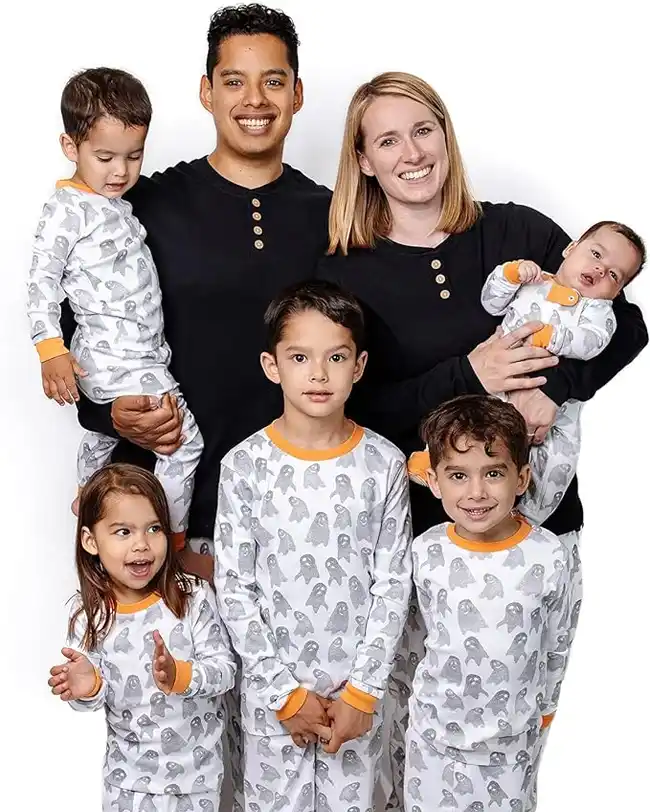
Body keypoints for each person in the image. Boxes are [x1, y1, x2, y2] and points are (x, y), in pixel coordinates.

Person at [316, 71, 647, 809]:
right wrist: (472, 372)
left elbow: (624, 321)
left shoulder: (517, 232)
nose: (412, 152)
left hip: (536, 537)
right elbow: (358, 410)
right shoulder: (346, 269)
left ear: (446, 134)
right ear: (363, 159)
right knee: (405, 750)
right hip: (425, 543)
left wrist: (550, 391)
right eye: (388, 139)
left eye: (424, 130)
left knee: (508, 746)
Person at [61, 4, 331, 579]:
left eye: (273, 81)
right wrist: (108, 413)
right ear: (207, 92)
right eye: (234, 80)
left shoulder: (335, 217)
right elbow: (76, 326)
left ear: (298, 93)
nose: (254, 100)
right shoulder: (139, 207)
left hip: (294, 520)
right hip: (154, 529)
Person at [213, 280, 412, 811]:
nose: (319, 374)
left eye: (336, 357)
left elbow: (394, 585)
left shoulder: (384, 463)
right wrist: (286, 695)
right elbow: (233, 589)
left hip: (356, 701)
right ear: (271, 365)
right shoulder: (244, 466)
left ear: (360, 365)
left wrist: (362, 692)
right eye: (300, 356)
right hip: (273, 704)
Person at [28, 67, 203, 552]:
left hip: (138, 354)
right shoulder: (68, 208)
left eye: (133, 155)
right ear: (70, 146)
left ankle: (87, 493)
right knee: (185, 443)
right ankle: (175, 537)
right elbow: (41, 281)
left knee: (104, 440)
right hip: (114, 357)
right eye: (104, 157)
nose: (121, 172)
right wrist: (50, 350)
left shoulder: (112, 203)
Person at [409, 220, 646, 525]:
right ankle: (432, 457)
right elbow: (491, 303)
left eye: (614, 275)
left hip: (555, 411)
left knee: (557, 459)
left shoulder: (598, 311)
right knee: (463, 421)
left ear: (617, 292)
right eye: (596, 255)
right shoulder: (533, 282)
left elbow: (593, 342)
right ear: (571, 249)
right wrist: (509, 275)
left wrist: (553, 339)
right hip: (497, 385)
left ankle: (533, 515)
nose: (600, 270)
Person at [405, 394, 577, 812]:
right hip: (433, 743)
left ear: (520, 479)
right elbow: (411, 640)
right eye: (458, 475)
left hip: (511, 747)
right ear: (434, 479)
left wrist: (547, 711)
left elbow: (557, 644)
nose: (476, 492)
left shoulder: (549, 555)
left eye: (493, 473)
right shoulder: (425, 551)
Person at [47, 463, 236, 812]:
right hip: (127, 785)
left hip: (196, 784)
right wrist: (88, 686)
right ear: (91, 541)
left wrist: (181, 675)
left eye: (153, 529)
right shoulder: (91, 614)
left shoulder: (192, 597)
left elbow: (225, 671)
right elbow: (90, 697)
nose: (141, 545)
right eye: (123, 532)